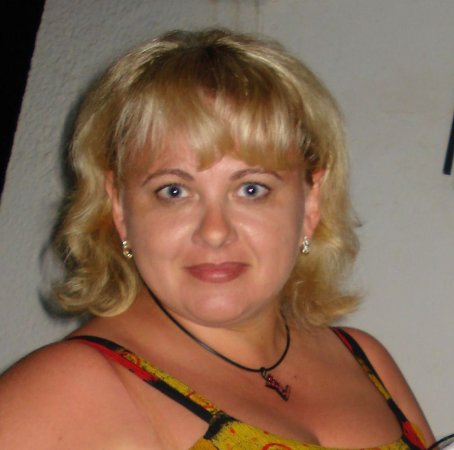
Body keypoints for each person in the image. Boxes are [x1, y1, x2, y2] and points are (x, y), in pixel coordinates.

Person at [0, 28, 435, 449]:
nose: (214, 231)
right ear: (119, 207)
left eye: (252, 189)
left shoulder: (365, 360)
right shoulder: (65, 389)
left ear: (310, 201)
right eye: (173, 191)